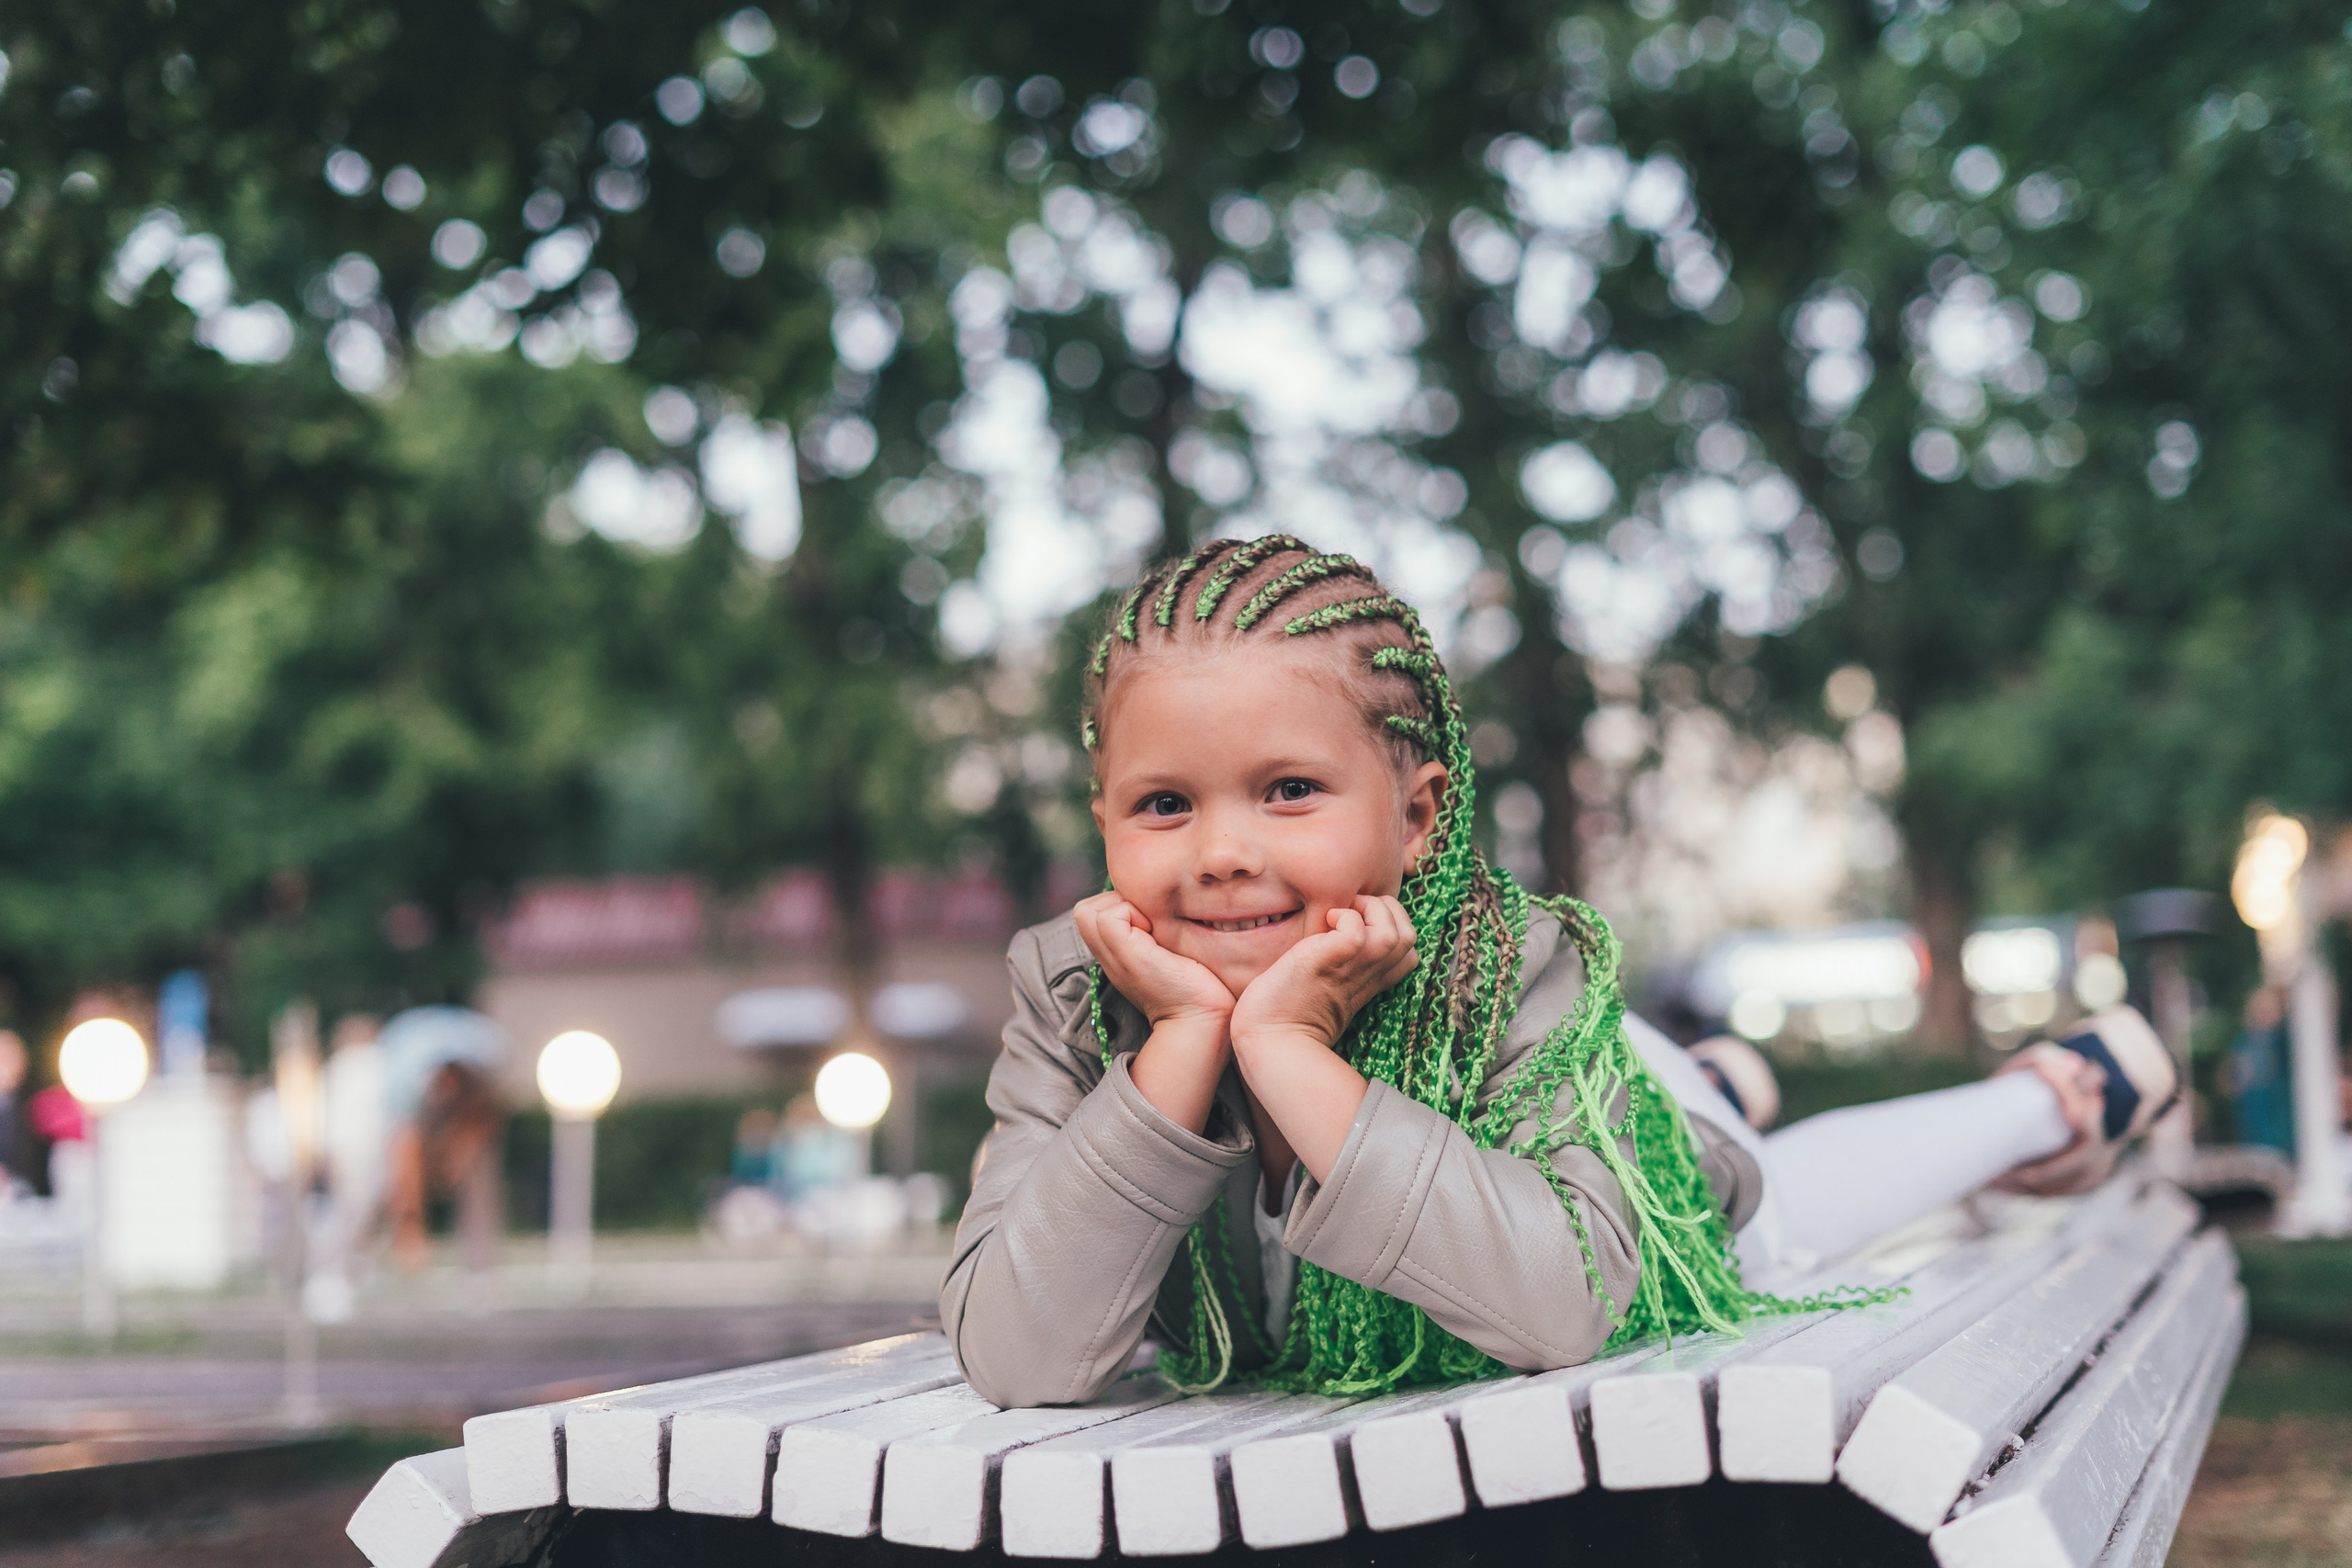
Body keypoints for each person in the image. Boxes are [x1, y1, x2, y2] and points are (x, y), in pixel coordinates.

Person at [940, 536, 2177, 1409]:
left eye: (1289, 791)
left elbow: (1569, 1306)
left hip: (1610, 1106)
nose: (1219, 855)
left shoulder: (1516, 970)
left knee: (1759, 1216)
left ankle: (2051, 1096)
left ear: (1419, 816)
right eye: (1164, 804)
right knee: (1706, 1119)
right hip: (1559, 1115)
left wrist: (1286, 1055)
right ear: (1101, 822)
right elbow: (1017, 1354)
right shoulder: (1074, 1006)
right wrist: (1175, 1056)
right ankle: (1721, 1080)